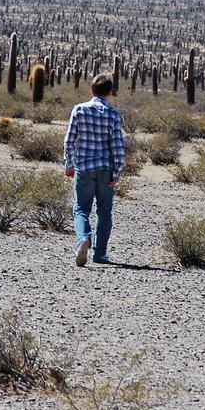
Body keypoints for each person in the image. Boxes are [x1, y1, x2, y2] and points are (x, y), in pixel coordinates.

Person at [63, 73, 126, 267]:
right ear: (109, 92)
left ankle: (83, 238)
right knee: (104, 211)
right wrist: (117, 172)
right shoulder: (113, 114)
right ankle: (100, 254)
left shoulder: (79, 110)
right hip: (106, 169)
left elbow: (69, 140)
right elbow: (118, 146)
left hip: (84, 167)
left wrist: (69, 164)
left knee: (81, 208)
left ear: (92, 90)